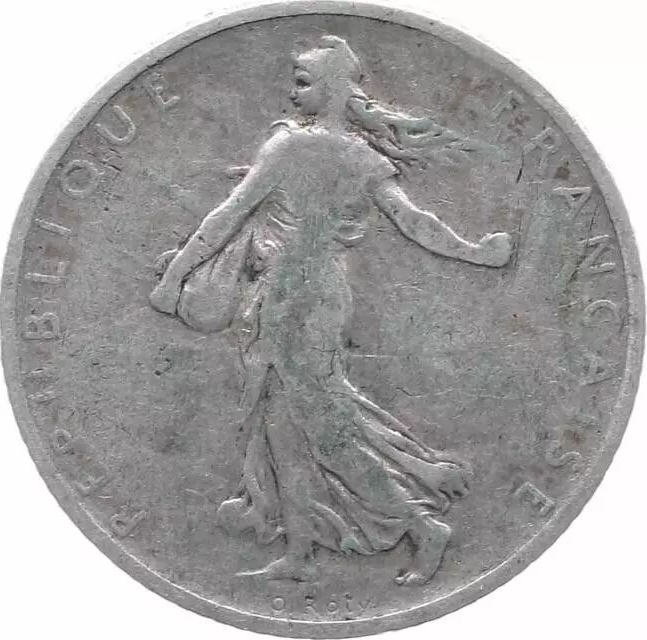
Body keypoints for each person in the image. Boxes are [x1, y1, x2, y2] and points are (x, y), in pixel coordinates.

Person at [150, 35, 512, 585]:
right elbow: (415, 223)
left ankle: (420, 525)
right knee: (282, 427)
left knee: (320, 426)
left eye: (302, 82)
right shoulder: (364, 158)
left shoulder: (290, 148)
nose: (292, 94)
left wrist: (174, 277)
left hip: (290, 297)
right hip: (318, 294)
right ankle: (300, 552)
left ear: (334, 88)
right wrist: (474, 252)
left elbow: (228, 215)